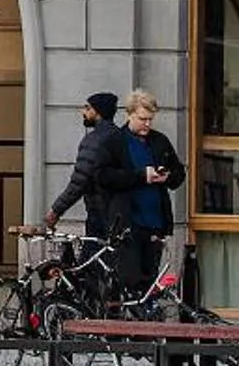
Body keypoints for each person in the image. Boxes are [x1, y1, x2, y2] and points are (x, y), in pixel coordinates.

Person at [115, 88, 186, 294]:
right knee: (130, 280)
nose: (147, 124)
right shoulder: (117, 141)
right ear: (129, 114)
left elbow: (179, 173)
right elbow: (108, 177)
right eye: (142, 119)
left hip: (155, 222)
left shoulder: (159, 141)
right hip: (129, 222)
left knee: (151, 279)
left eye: (150, 119)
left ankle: (148, 310)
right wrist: (141, 176)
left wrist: (167, 177)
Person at [41, 90, 133, 243]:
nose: (83, 112)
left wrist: (56, 211)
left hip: (100, 213)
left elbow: (79, 181)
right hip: (119, 213)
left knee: (94, 254)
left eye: (88, 108)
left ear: (98, 112)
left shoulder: (94, 140)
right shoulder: (119, 136)